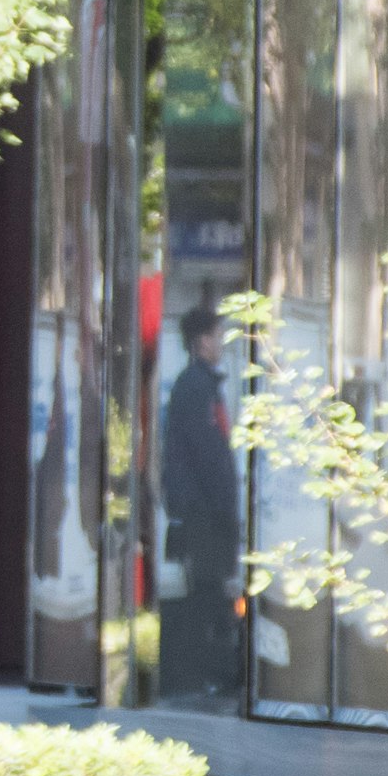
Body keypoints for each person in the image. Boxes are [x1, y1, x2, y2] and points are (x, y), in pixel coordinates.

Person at [156, 301, 243, 705]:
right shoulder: (196, 387)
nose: (220, 342)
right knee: (210, 590)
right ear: (200, 341)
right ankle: (213, 672)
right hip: (204, 511)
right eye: (215, 335)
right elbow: (208, 454)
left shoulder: (201, 384)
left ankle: (213, 671)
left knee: (211, 589)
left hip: (203, 508)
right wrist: (226, 505)